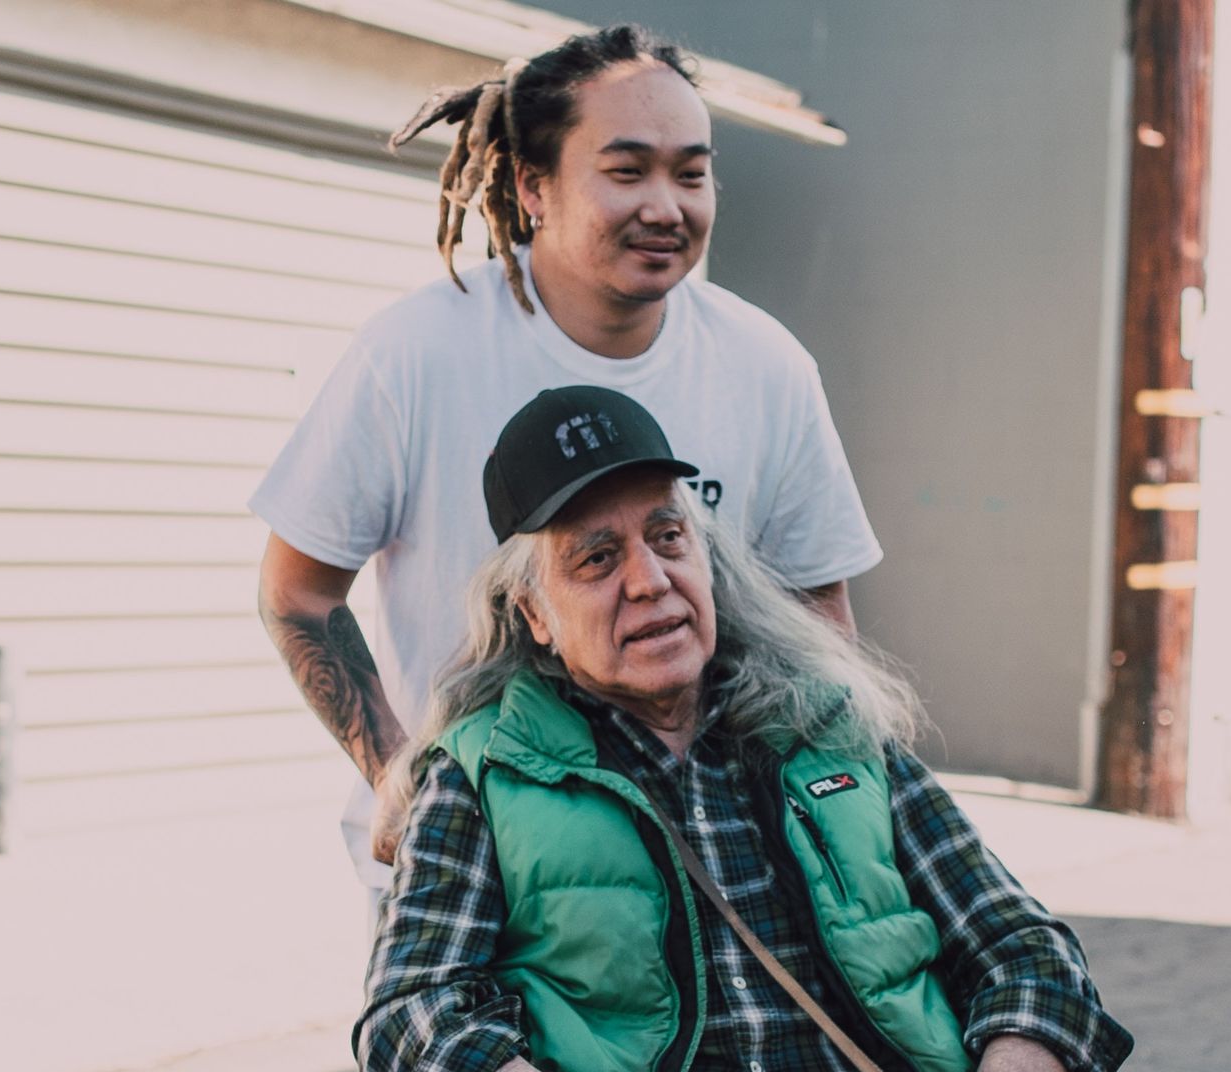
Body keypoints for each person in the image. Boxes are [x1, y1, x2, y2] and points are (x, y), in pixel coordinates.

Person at [358, 388, 1134, 1072]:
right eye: (593, 559)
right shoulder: (480, 774)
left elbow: (1034, 967)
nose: (646, 579)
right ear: (532, 613)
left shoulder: (837, 737)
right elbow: (409, 1038)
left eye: (667, 537)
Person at [250, 25, 881, 900]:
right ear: (533, 186)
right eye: (627, 171)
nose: (667, 204)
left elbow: (819, 620)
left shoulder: (766, 365)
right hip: (479, 878)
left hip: (710, 879)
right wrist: (401, 779)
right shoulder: (414, 355)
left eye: (691, 173)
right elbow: (297, 591)